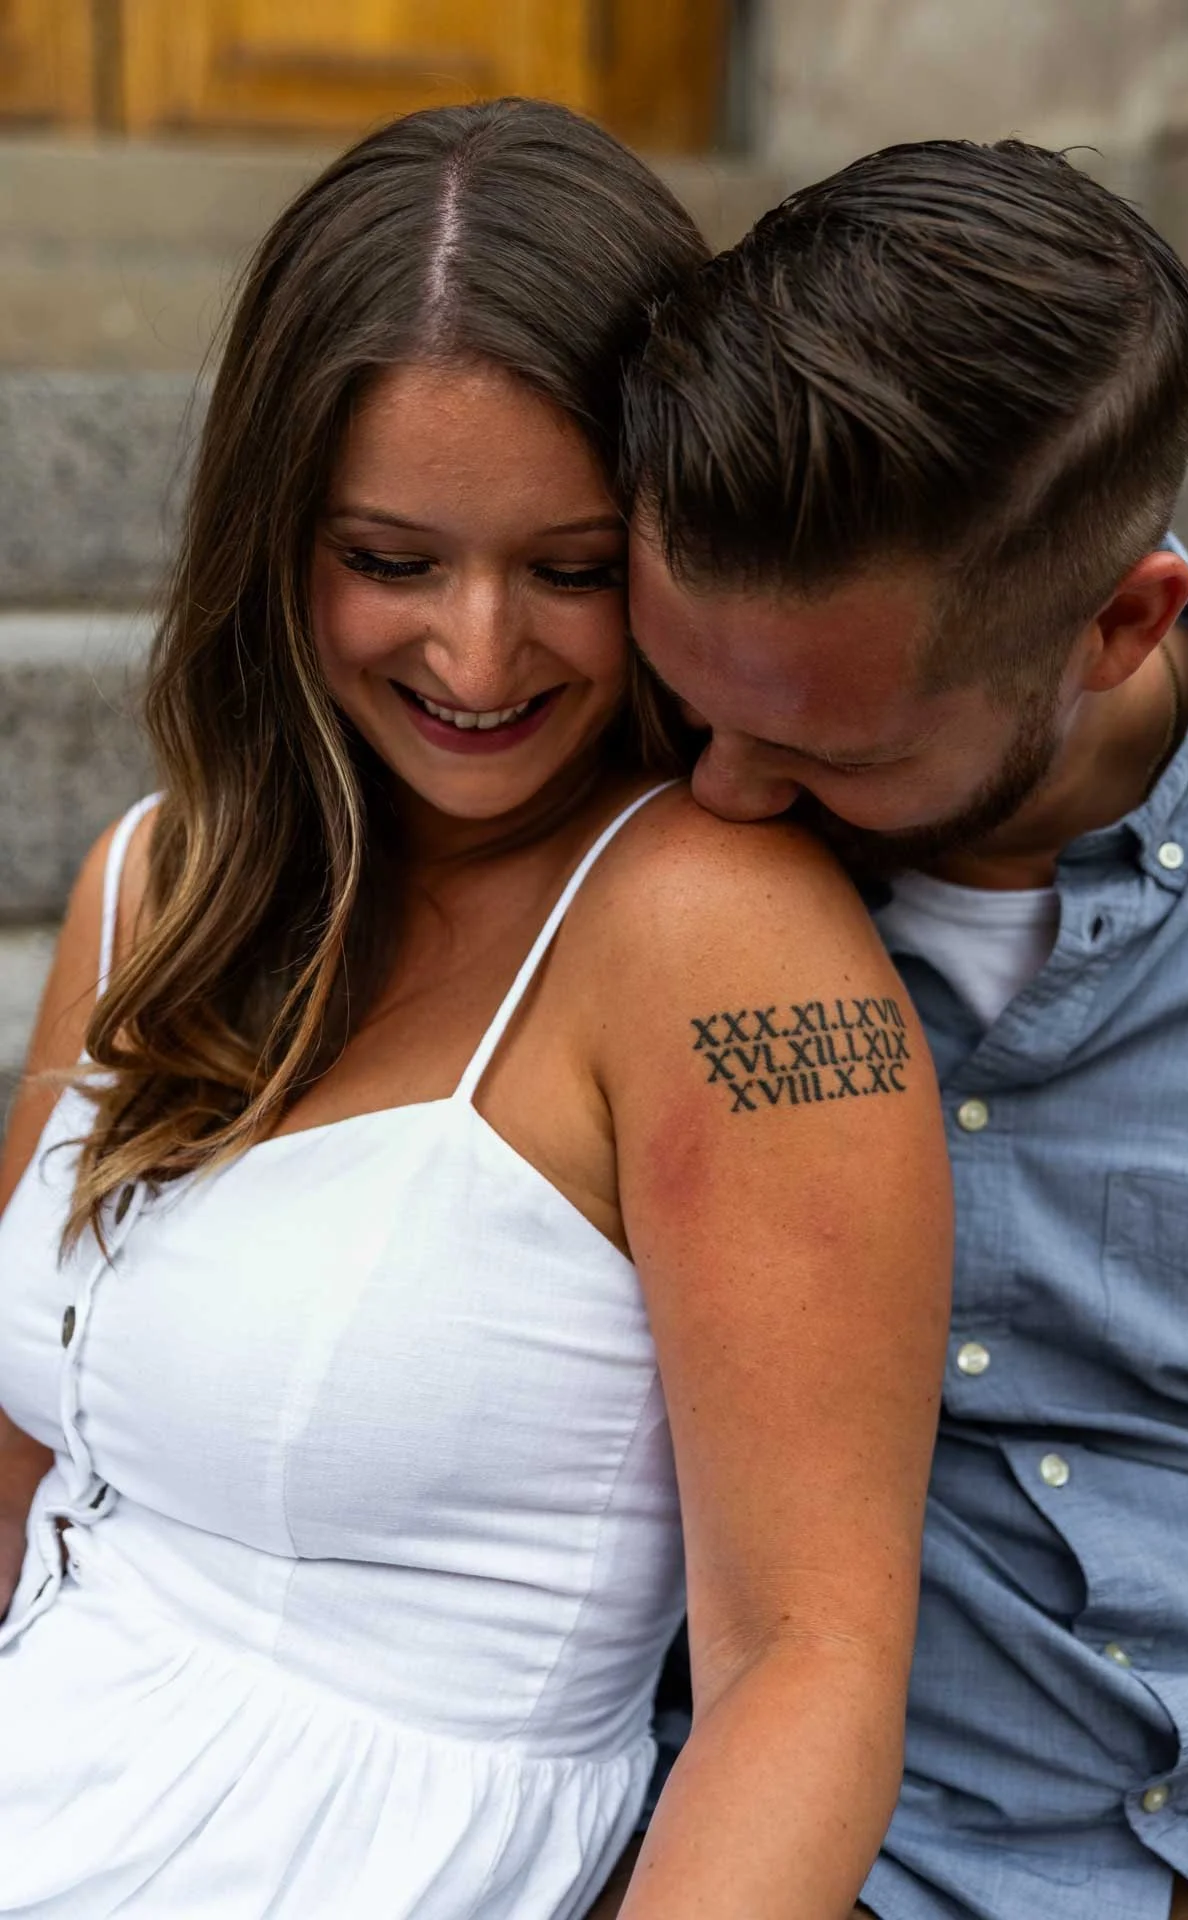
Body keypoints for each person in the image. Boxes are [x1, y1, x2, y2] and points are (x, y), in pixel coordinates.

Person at [0, 102, 952, 1919]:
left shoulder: (711, 937)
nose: (479, 653)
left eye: (574, 569)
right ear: (273, 541)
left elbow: (806, 1667)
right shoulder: (155, 877)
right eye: (392, 559)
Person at [620, 139, 1188, 1920]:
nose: (727, 796)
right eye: (689, 704)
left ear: (1115, 625)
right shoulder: (648, 842)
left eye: (833, 754)